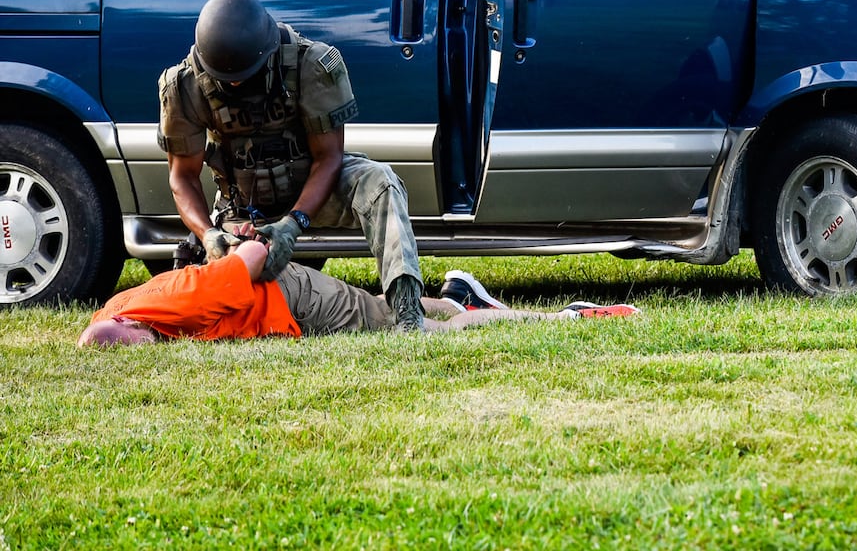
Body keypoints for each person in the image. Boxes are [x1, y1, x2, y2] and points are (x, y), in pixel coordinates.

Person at [159, 0, 427, 330]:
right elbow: (182, 177)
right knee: (242, 287)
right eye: (228, 80)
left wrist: (293, 223)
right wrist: (209, 233)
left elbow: (328, 158)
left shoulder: (310, 65)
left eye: (244, 76)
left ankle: (407, 311)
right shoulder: (186, 85)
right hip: (245, 207)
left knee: (380, 182)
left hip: (315, 187)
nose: (236, 85)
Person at [78, 242, 638, 346]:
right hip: (282, 294)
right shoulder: (117, 313)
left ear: (135, 326)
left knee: (411, 332)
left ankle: (562, 319)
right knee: (389, 310)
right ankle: (462, 297)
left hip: (290, 296)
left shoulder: (183, 302)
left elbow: (248, 263)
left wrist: (242, 246)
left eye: (144, 344)